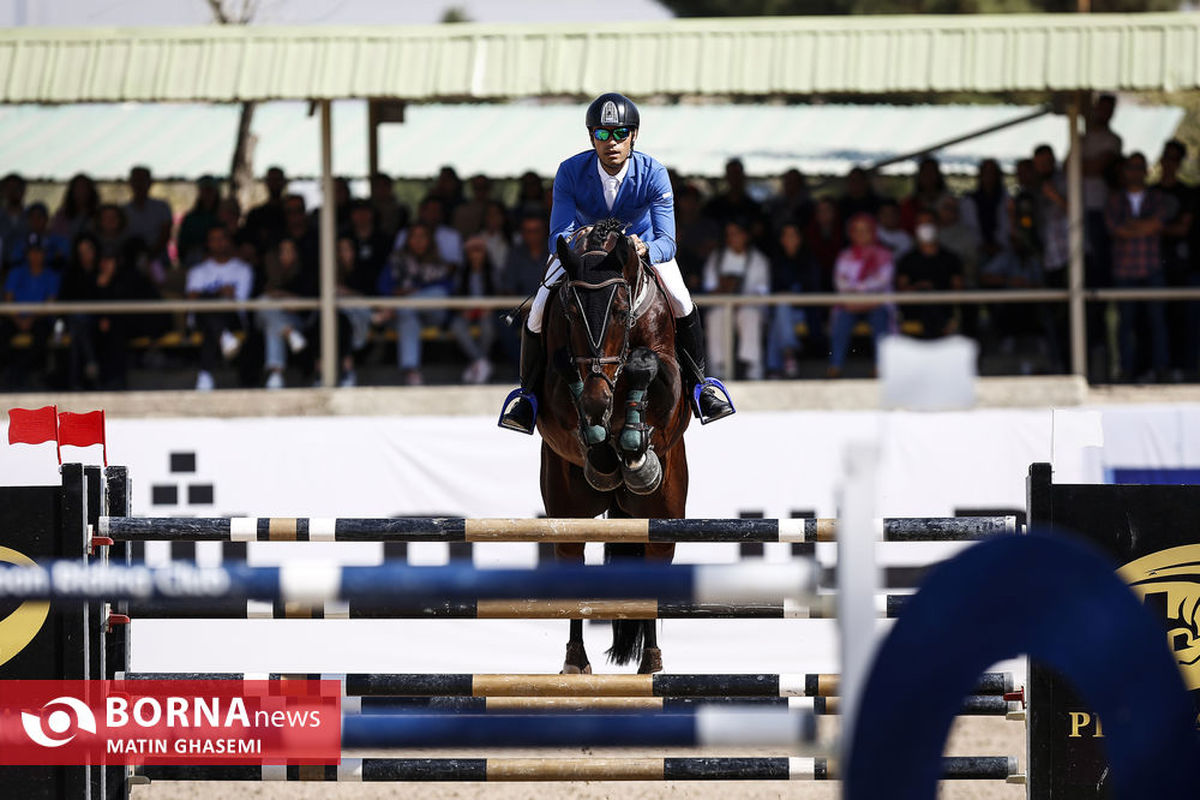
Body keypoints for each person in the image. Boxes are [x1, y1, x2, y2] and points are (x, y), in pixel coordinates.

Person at [498, 92, 735, 432]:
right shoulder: (569, 171)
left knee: (682, 300)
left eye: (620, 133)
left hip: (640, 248)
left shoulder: (654, 173)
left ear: (633, 136)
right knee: (536, 312)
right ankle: (528, 399)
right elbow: (556, 238)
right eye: (603, 134)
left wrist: (644, 248)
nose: (612, 142)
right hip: (585, 253)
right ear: (591, 136)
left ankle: (701, 388)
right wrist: (583, 241)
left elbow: (668, 241)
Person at [1105, 152, 1168, 382]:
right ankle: (1125, 370)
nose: (1135, 172)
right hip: (1124, 270)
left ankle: (1161, 369)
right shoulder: (1114, 199)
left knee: (1157, 321)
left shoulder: (1157, 197)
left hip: (1151, 267)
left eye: (1139, 167)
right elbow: (1114, 228)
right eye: (1130, 167)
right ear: (1125, 172)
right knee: (1125, 323)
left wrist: (1132, 226)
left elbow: (1158, 224)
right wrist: (1143, 226)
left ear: (1146, 171)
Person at [378, 221, 455, 386]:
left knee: (438, 294)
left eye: (423, 236)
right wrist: (401, 293)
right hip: (402, 315)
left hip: (430, 314)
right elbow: (383, 287)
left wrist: (412, 293)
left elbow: (446, 291)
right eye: (414, 236)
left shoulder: (439, 262)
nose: (418, 241)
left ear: (429, 240)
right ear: (407, 240)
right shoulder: (396, 260)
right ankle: (412, 371)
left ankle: (402, 305)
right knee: (408, 318)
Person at [185, 225, 254, 391]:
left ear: (229, 242)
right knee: (208, 312)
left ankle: (205, 374)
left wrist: (207, 295)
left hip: (232, 318)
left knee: (212, 318)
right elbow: (191, 300)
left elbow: (239, 303)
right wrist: (219, 292)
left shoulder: (243, 269)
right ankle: (223, 337)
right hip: (200, 319)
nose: (219, 243)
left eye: (222, 238)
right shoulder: (198, 271)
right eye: (214, 239)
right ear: (208, 243)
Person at [57, 235, 131, 390]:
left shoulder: (102, 272)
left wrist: (103, 285)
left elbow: (113, 301)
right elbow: (63, 302)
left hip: (101, 322)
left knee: (81, 332)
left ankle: (78, 379)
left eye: (89, 251)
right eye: (81, 252)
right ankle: (91, 366)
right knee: (78, 325)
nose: (86, 256)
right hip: (77, 323)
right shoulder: (72, 274)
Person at [702, 218, 771, 380]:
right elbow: (709, 287)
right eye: (729, 235)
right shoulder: (717, 258)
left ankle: (753, 367)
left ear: (745, 236)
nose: (733, 238)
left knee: (749, 315)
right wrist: (724, 288)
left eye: (736, 234)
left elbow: (763, 292)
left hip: (748, 307)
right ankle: (719, 369)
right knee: (716, 316)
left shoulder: (758, 260)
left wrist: (742, 300)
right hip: (722, 306)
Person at [828, 214, 894, 378]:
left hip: (876, 304)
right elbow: (840, 281)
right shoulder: (845, 255)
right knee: (841, 320)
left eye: (865, 230)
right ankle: (835, 365)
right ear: (851, 233)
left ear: (873, 232)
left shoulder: (884, 255)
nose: (861, 234)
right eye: (857, 230)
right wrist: (858, 294)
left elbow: (882, 280)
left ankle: (881, 366)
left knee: (880, 320)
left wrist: (857, 290)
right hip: (851, 304)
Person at [1153, 139, 1195, 379]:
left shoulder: (1188, 193)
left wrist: (1151, 227)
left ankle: (1185, 369)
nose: (1169, 162)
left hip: (1182, 267)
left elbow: (1182, 229)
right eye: (1166, 156)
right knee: (1154, 321)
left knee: (1184, 320)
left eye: (1174, 158)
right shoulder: (1150, 193)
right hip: (1150, 267)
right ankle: (1157, 369)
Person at [1, 235, 60, 389]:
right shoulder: (16, 272)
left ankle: (22, 374)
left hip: (39, 319)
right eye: (32, 252)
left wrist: (31, 319)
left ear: (45, 254)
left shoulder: (51, 275)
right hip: (14, 318)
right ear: (27, 254)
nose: (35, 256)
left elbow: (50, 302)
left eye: (39, 252)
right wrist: (18, 319)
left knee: (42, 334)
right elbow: (8, 299)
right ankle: (9, 374)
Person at [256, 238, 316, 389]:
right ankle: (289, 333)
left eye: (290, 251)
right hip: (263, 318)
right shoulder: (267, 272)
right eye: (283, 252)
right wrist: (284, 300)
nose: (286, 255)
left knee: (273, 326)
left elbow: (303, 305)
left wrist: (278, 296)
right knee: (263, 302)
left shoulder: (305, 273)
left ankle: (276, 374)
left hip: (295, 320)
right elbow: (259, 297)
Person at [895, 210, 964, 339]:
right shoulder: (907, 260)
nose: (925, 227)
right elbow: (901, 290)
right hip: (915, 308)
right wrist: (919, 287)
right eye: (921, 223)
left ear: (937, 226)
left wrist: (937, 290)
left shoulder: (951, 258)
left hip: (942, 306)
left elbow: (958, 290)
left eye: (929, 223)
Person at [765, 221, 820, 378]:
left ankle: (775, 367)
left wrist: (792, 295)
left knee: (780, 317)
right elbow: (772, 291)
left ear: (799, 238)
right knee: (781, 310)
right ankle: (788, 356)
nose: (790, 239)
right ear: (781, 239)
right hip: (784, 313)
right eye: (786, 236)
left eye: (793, 235)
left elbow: (813, 289)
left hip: (806, 312)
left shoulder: (809, 259)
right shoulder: (776, 261)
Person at [450, 235, 497, 384]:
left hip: (487, 312)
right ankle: (481, 362)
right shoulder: (461, 273)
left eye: (479, 250)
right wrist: (463, 309)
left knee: (488, 327)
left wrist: (489, 308)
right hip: (467, 312)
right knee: (456, 326)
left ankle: (477, 365)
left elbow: (499, 294)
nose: (476, 255)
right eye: (472, 251)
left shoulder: (492, 272)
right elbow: (455, 296)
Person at [122, 166, 173, 278]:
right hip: (130, 264)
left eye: (142, 180)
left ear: (150, 183)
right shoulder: (123, 210)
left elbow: (166, 233)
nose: (139, 184)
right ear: (130, 183)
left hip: (159, 261)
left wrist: (150, 256)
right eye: (136, 180)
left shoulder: (162, 207)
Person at [177, 176, 222, 268]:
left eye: (210, 190)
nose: (208, 194)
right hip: (196, 259)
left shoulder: (223, 215)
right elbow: (182, 245)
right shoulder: (191, 218)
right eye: (205, 190)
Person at [243, 166, 289, 257]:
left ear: (284, 182)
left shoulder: (291, 213)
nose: (275, 183)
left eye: (278, 180)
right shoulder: (255, 215)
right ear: (266, 183)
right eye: (272, 180)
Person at [51, 173, 100, 243]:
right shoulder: (62, 215)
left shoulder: (99, 215)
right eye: (78, 188)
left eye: (84, 188)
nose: (81, 192)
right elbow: (56, 238)